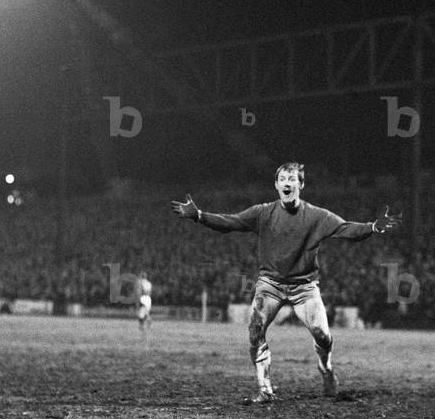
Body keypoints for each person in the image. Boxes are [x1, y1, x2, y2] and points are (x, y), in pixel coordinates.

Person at [170, 162, 400, 403]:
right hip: (270, 284)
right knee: (255, 330)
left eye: (292, 179)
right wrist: (198, 216)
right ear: (277, 185)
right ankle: (265, 390)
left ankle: (326, 368)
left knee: (322, 334)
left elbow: (345, 229)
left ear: (301, 184)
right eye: (282, 179)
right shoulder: (263, 213)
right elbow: (230, 223)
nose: (287, 183)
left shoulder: (317, 216)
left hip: (305, 287)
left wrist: (372, 227)